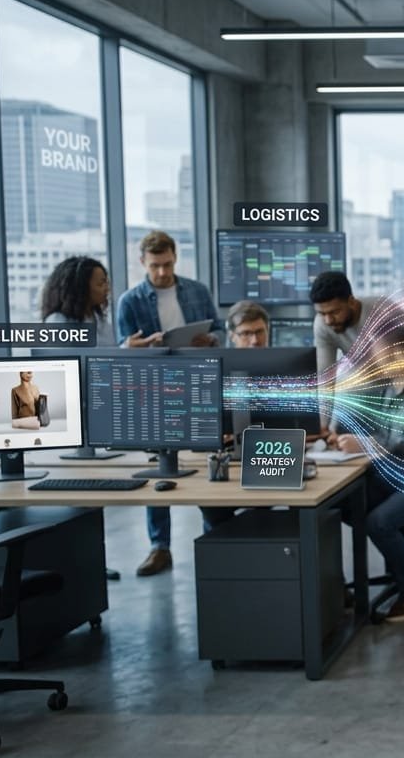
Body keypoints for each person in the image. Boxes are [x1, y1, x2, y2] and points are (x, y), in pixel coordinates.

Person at [114, 230, 224, 577]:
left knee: (208, 457)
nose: (162, 272)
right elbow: (122, 350)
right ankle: (159, 546)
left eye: (167, 264)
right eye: (155, 266)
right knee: (159, 466)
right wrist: (134, 347)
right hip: (155, 388)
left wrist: (211, 339)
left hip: (198, 381)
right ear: (142, 262)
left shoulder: (196, 290)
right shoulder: (130, 301)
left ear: (176, 257)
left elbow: (220, 329)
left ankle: (216, 533)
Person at [327, 303, 404, 622]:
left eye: (381, 356)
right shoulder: (391, 387)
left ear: (402, 353)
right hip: (395, 476)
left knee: (378, 522)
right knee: (343, 504)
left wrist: (369, 444)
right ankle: (336, 589)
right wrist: (352, 436)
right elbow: (385, 431)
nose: (376, 363)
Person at [311, 271, 381, 429]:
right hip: (363, 386)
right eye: (322, 313)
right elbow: (326, 378)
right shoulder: (322, 324)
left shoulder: (381, 312)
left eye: (334, 312)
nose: (328, 320)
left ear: (351, 301)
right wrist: (323, 426)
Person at [40, 255, 116, 346]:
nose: (107, 289)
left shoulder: (97, 318)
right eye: (100, 284)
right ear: (81, 288)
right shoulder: (58, 321)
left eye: (106, 283)